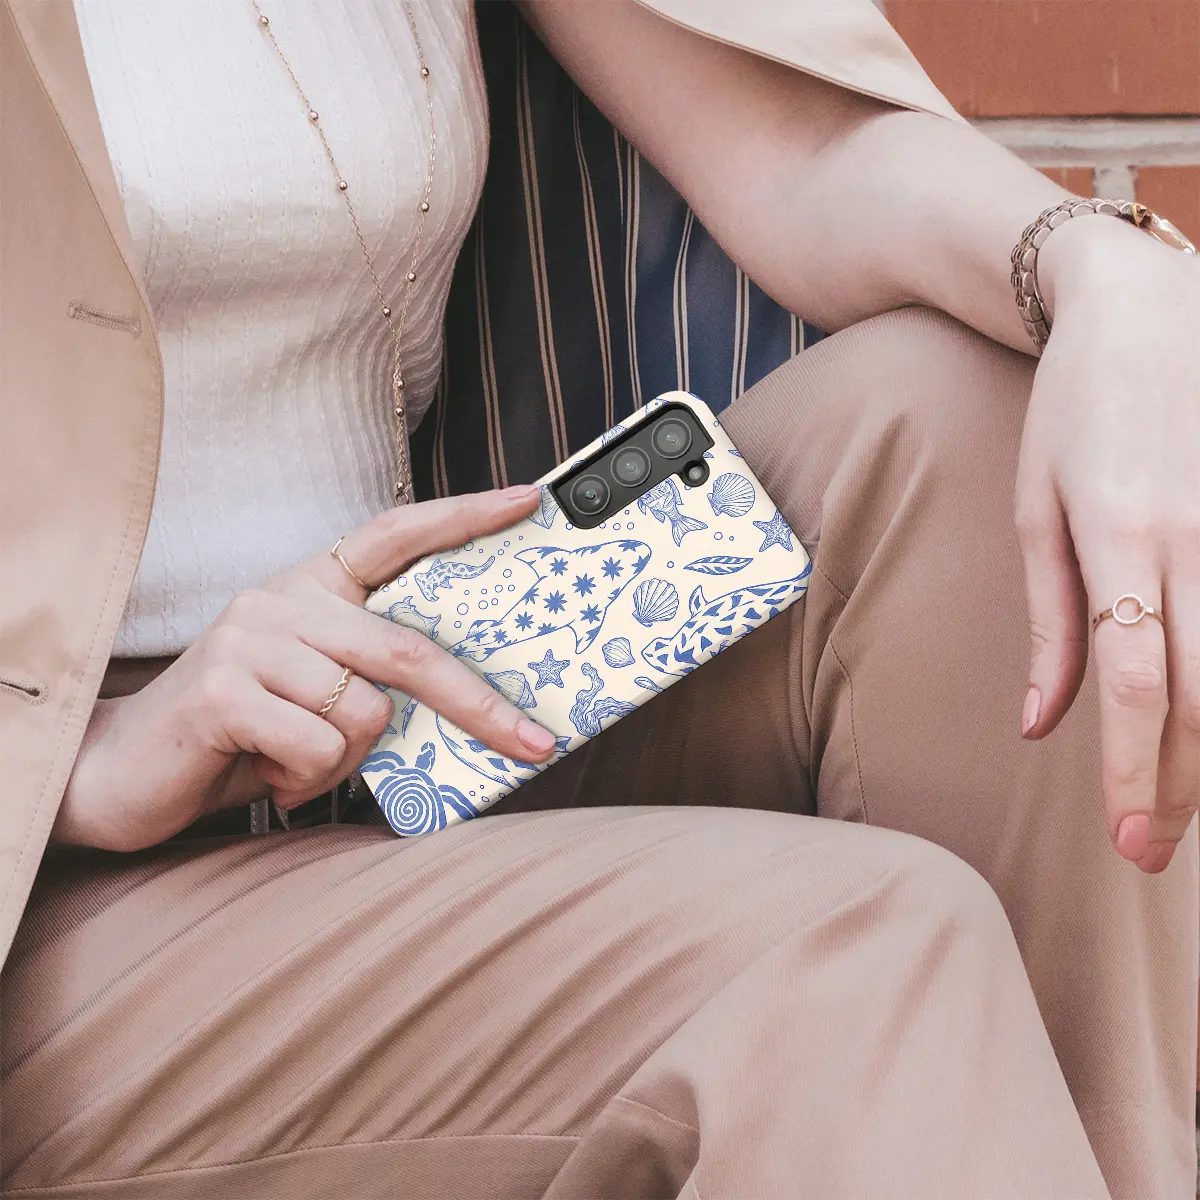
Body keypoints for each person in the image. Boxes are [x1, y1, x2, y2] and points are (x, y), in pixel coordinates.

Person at [1, 1, 1196, 1198]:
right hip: (57, 889)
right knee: (853, 951)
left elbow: (805, 149)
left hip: (409, 702)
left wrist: (1101, 273)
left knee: (977, 422)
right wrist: (86, 754)